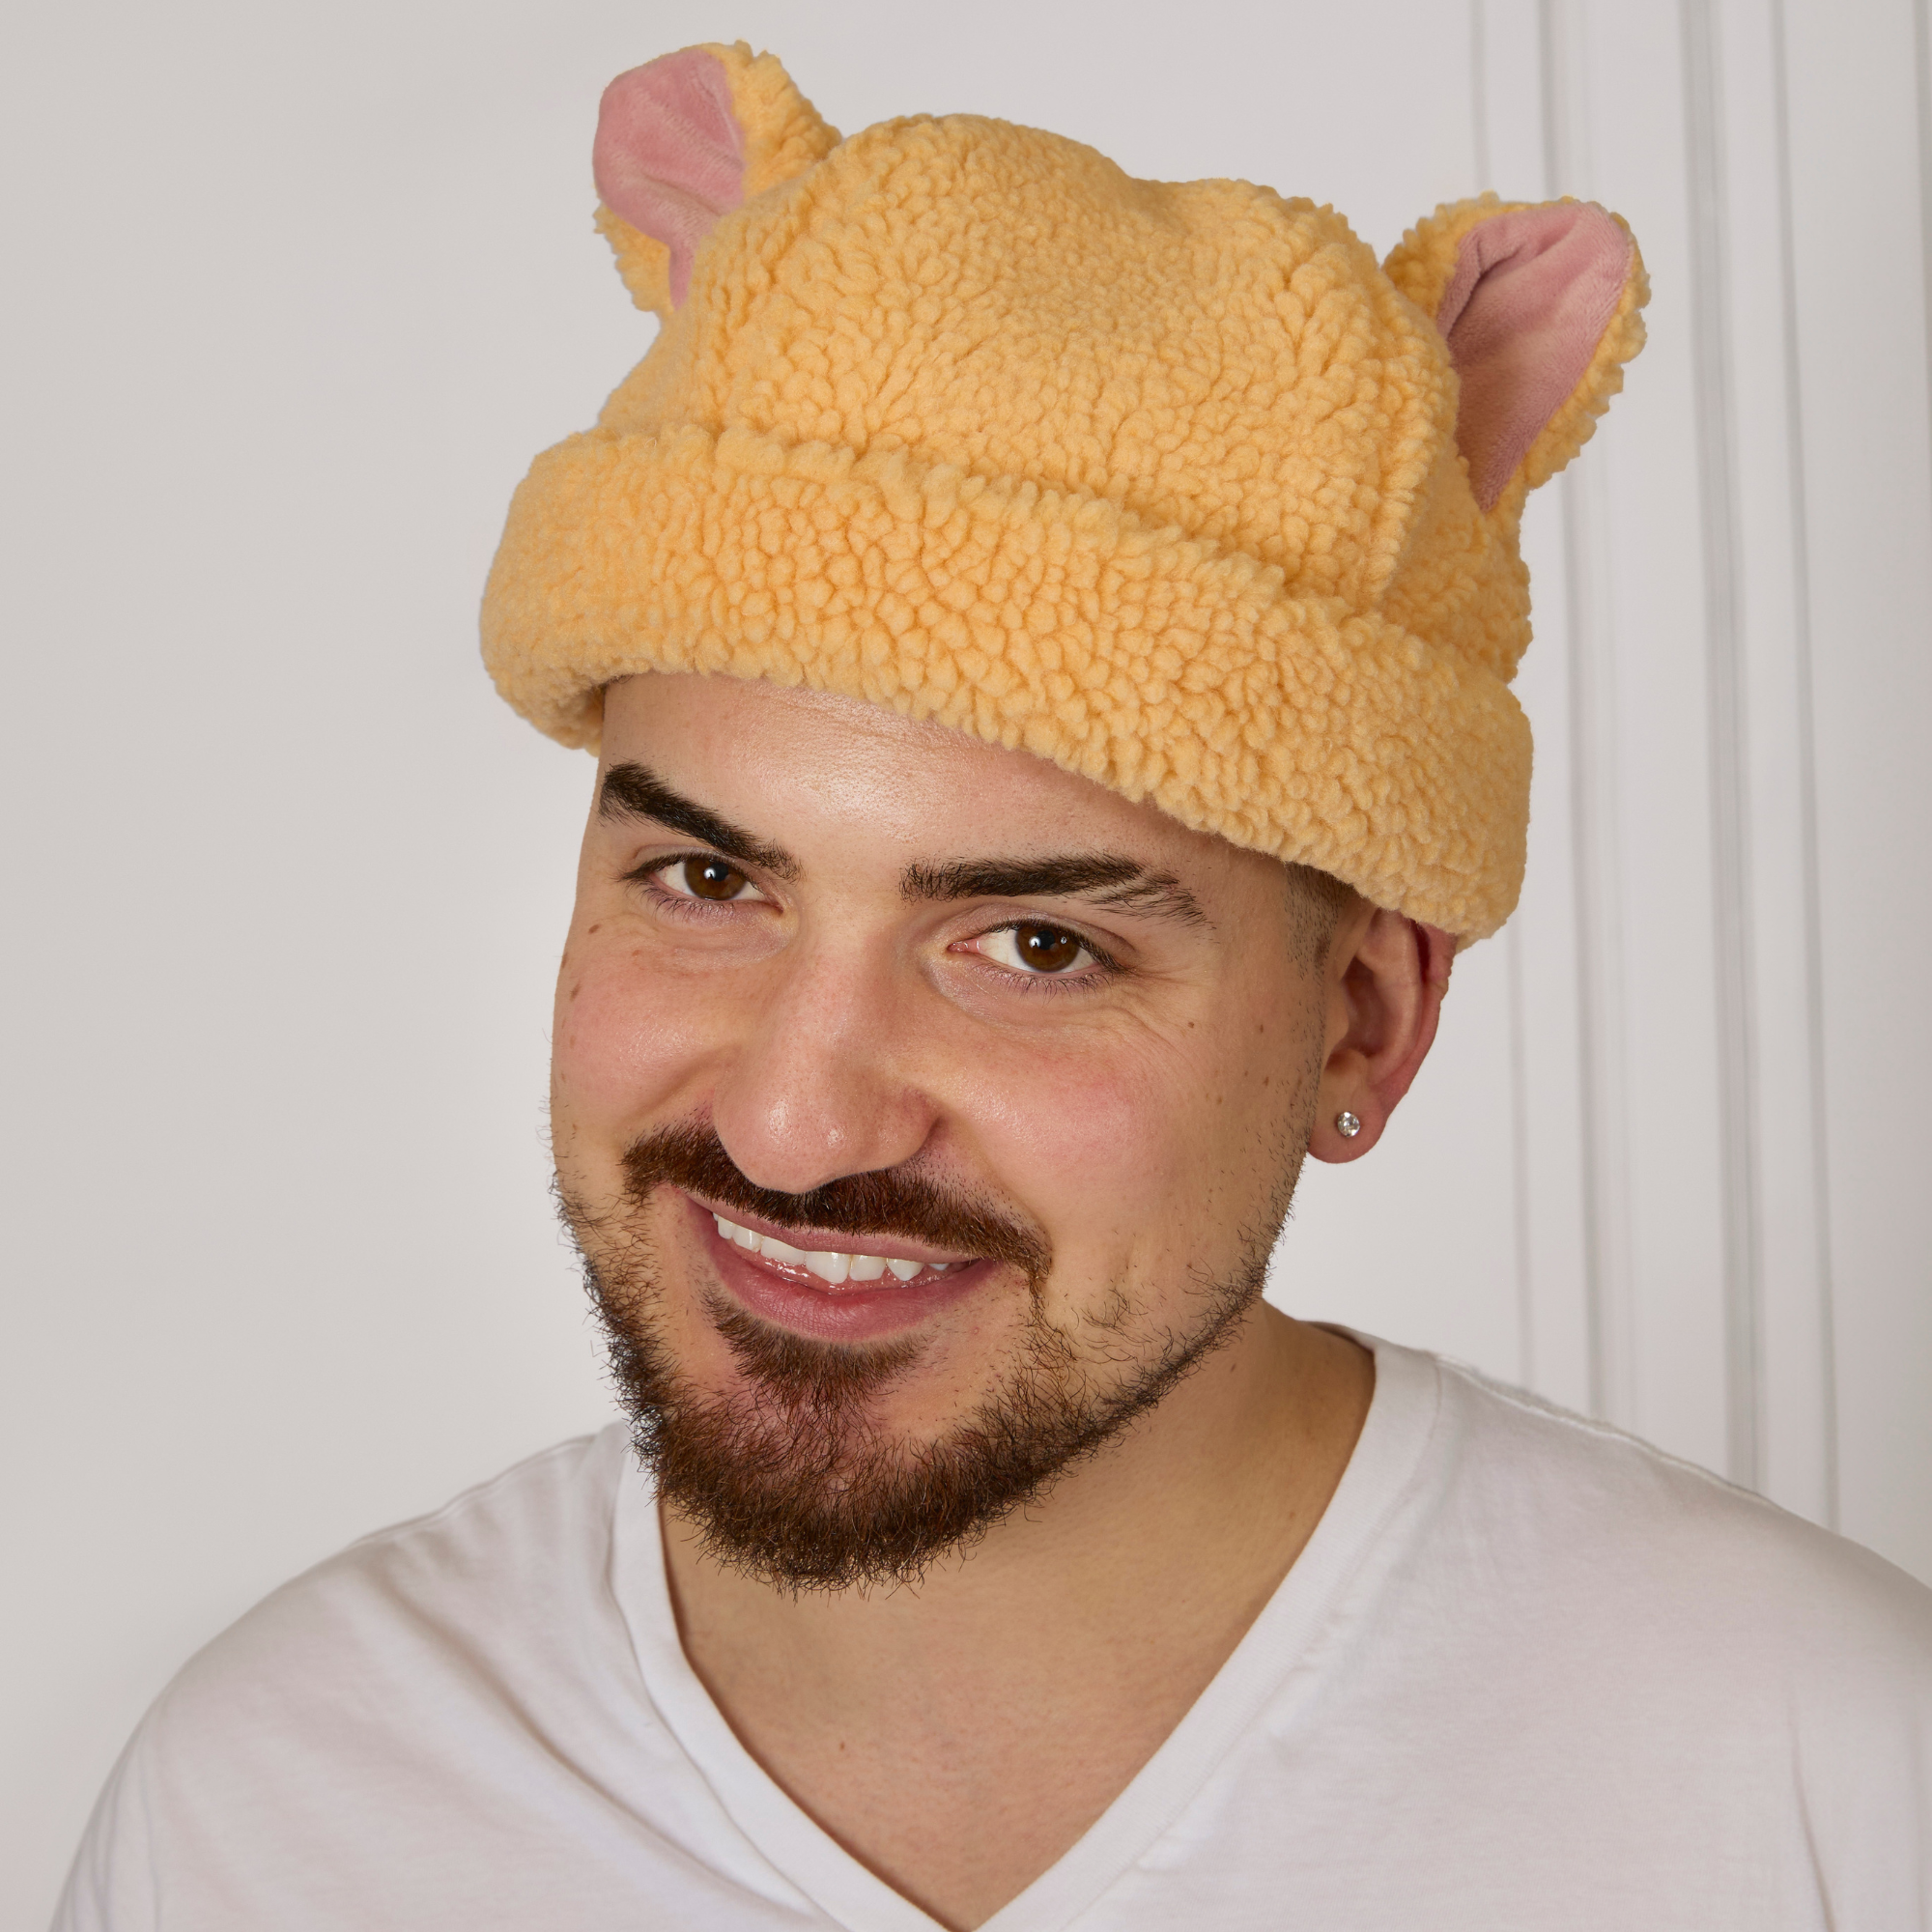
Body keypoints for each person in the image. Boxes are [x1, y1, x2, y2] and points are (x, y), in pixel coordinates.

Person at [55, 41, 1932, 1932]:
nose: (792, 1125)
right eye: (708, 880)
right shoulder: (270, 1808)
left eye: (1037, 946)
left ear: (1362, 1021)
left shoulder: (1817, 1777)